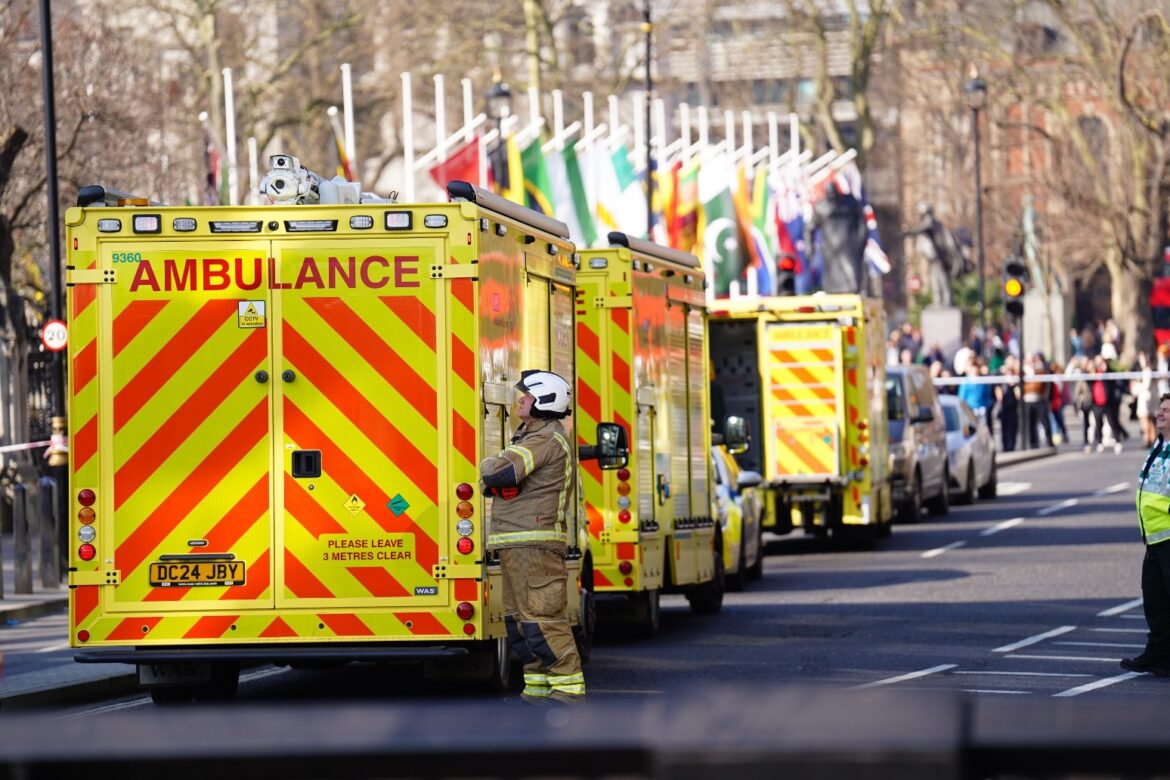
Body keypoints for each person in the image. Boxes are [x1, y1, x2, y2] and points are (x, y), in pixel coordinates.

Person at [479, 369, 585, 704]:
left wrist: (491, 467)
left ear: (545, 401)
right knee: (520, 624)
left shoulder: (545, 440)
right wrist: (493, 476)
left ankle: (568, 692)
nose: (520, 400)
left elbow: (497, 473)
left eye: (526, 396)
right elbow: (490, 485)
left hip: (533, 544)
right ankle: (539, 690)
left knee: (542, 620)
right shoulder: (530, 438)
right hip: (517, 543)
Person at [1122, 393, 1170, 676]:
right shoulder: (1159, 445)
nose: (1160, 413)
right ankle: (1160, 655)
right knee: (1155, 600)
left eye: (1167, 410)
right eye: (1160, 408)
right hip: (1154, 538)